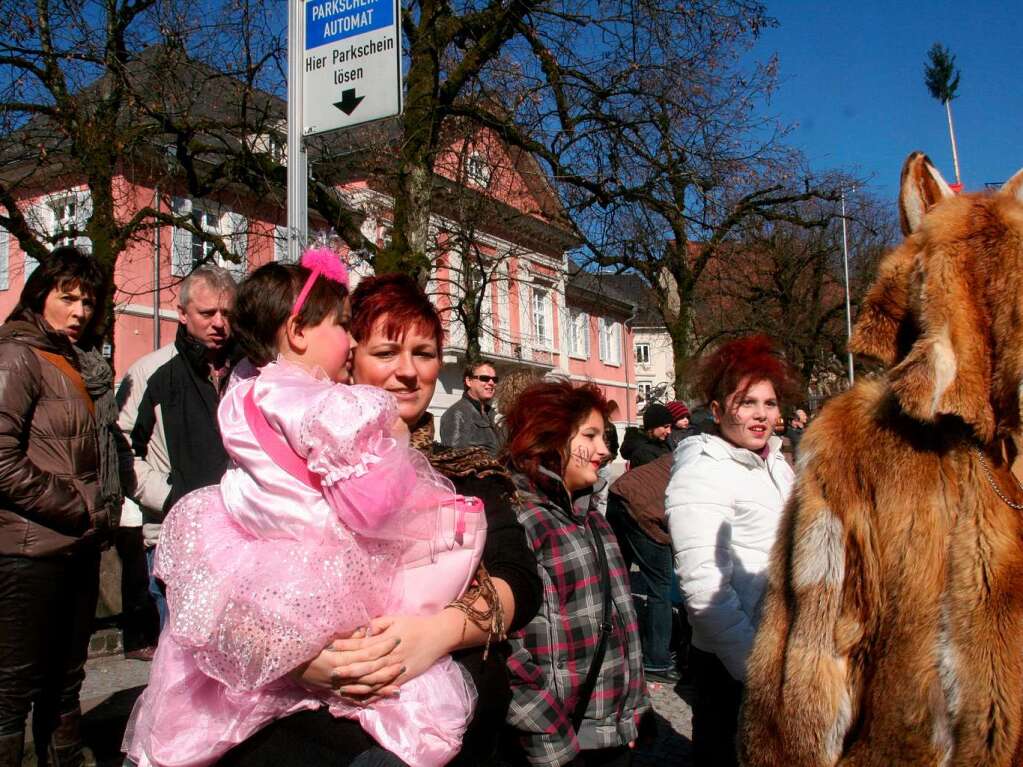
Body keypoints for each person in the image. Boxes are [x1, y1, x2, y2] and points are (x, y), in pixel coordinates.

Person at [125, 254, 490, 767]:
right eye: (345, 326)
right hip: (318, 568)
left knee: (236, 695)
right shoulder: (324, 406)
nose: (350, 341)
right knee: (381, 671)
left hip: (256, 561)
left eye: (423, 353)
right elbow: (369, 509)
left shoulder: (243, 390)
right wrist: (391, 449)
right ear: (297, 331)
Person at [216, 273, 542, 767]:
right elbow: (223, 589)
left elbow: (519, 579)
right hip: (305, 735)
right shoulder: (288, 471)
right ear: (348, 358)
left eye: (425, 354)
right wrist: (300, 658)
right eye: (386, 353)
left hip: (446, 733)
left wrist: (435, 636)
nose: (409, 372)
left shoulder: (471, 474)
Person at [0, 247, 116, 767]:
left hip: (75, 546)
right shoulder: (16, 356)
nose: (79, 312)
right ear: (38, 295)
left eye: (88, 302)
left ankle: (66, 757)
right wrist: (76, 508)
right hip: (26, 551)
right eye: (67, 298)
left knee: (68, 677)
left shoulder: (72, 362)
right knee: (12, 685)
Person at [501, 380, 649, 767]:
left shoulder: (590, 517)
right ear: (548, 437)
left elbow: (619, 620)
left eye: (605, 436)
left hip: (606, 734)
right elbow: (508, 650)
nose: (604, 450)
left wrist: (627, 719)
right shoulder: (519, 520)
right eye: (590, 435)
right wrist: (550, 744)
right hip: (557, 745)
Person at [664, 335, 796, 767]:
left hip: (781, 647)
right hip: (734, 660)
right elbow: (704, 586)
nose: (760, 415)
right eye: (746, 402)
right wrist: (754, 669)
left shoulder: (774, 462)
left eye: (769, 403)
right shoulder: (703, 471)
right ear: (718, 410)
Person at [117, 264, 237, 629]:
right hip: (176, 543)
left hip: (241, 542)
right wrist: (171, 496)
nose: (219, 323)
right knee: (183, 670)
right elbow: (122, 451)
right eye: (207, 313)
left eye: (227, 313)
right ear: (182, 314)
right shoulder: (150, 373)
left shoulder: (249, 371)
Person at [605, 454, 677, 684]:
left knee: (616, 578)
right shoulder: (712, 464)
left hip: (620, 493)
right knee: (661, 586)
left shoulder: (687, 447)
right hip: (643, 509)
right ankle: (657, 661)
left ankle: (611, 643)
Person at [440, 359, 501, 454]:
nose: (491, 383)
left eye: (495, 379)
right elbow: (455, 461)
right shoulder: (458, 413)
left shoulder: (489, 413)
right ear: (469, 381)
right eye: (484, 378)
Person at [620, 403, 673, 468]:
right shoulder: (643, 452)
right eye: (665, 427)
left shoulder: (662, 443)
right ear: (652, 427)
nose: (669, 431)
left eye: (670, 427)